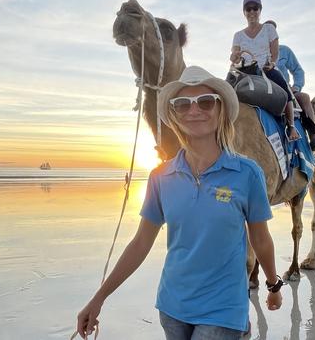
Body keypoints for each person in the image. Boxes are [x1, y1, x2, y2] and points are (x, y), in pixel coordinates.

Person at [76, 66, 283, 340]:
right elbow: (140, 243)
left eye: (206, 102)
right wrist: (99, 297)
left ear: (221, 110)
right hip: (172, 307)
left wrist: (272, 284)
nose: (194, 110)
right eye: (182, 104)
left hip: (224, 309)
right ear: (174, 115)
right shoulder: (161, 176)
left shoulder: (247, 173)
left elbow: (260, 239)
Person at [230, 0, 300, 141]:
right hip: (245, 71)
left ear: (260, 10)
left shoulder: (268, 29)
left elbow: (274, 53)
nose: (252, 12)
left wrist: (272, 64)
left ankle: (291, 126)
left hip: (265, 69)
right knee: (225, 90)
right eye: (248, 9)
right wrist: (234, 57)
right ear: (244, 12)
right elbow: (234, 56)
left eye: (255, 8)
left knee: (285, 91)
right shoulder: (238, 35)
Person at [263, 20, 315, 150]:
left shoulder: (284, 51)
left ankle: (313, 137)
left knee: (304, 97)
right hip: (262, 86)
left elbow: (298, 71)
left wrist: (296, 87)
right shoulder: (257, 51)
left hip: (285, 87)